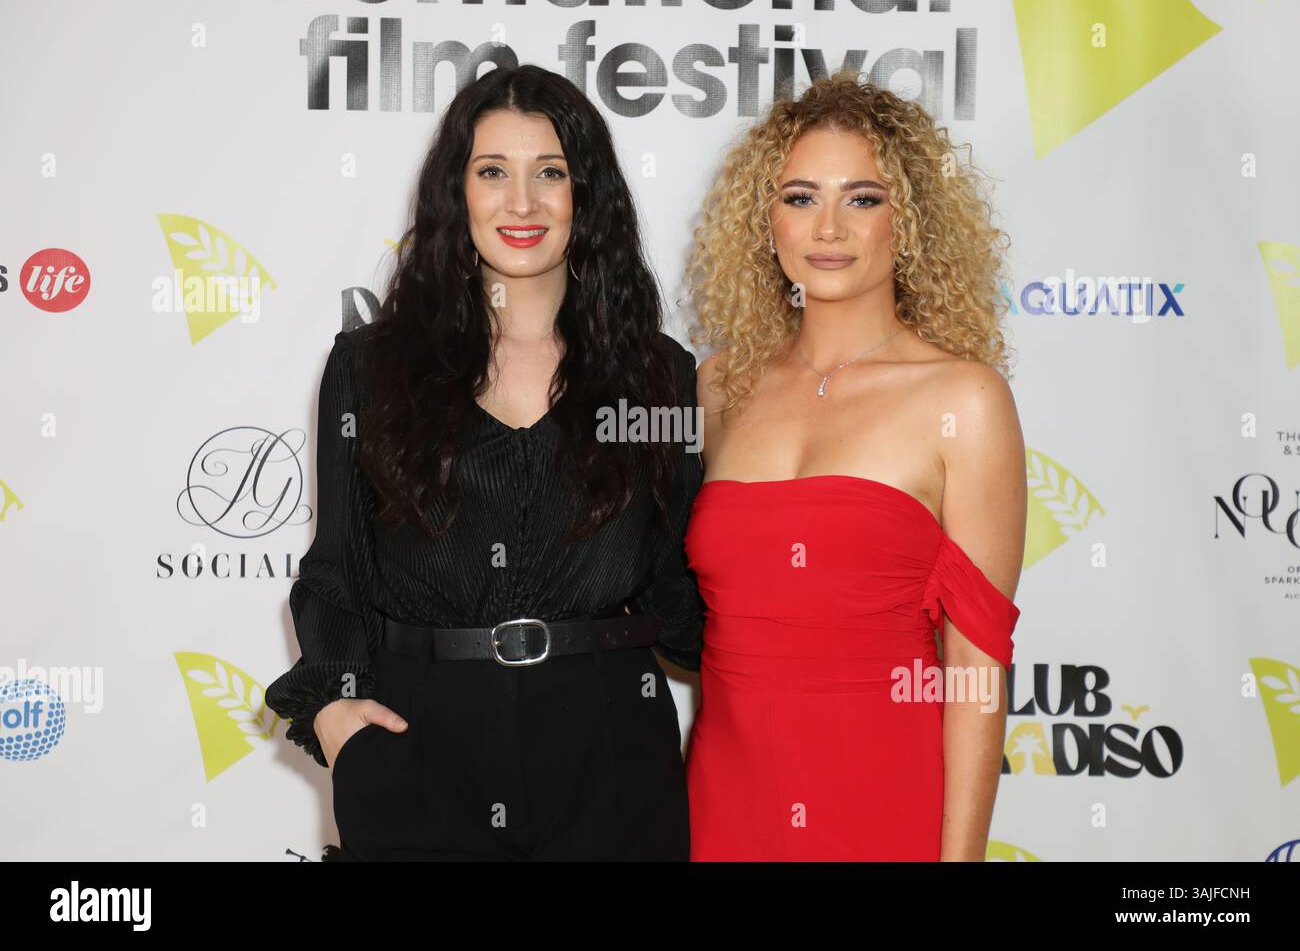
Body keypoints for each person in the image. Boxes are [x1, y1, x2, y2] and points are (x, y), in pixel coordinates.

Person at [264, 64, 704, 861]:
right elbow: (336, 572)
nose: (523, 202)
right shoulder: (371, 368)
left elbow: (680, 582)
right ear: (455, 192)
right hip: (419, 743)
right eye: (493, 172)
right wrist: (332, 713)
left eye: (551, 174)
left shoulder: (662, 377)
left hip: (609, 749)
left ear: (588, 197)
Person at [682, 71, 1026, 861]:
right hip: (725, 802)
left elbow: (976, 669)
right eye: (800, 197)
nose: (828, 226)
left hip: (884, 801)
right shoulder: (718, 388)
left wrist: (961, 857)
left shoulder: (964, 399)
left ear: (908, 221)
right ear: (764, 221)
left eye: (862, 198)